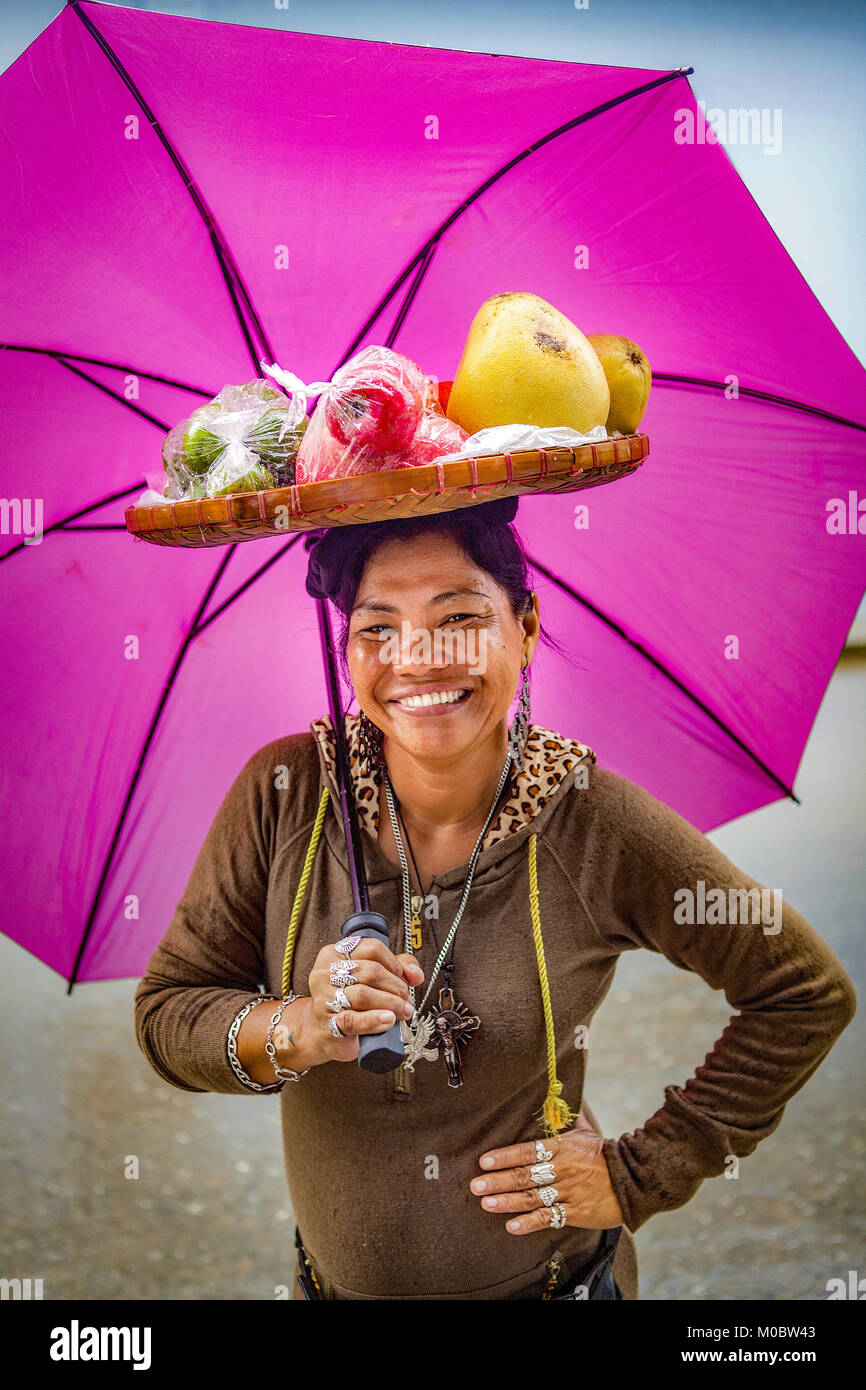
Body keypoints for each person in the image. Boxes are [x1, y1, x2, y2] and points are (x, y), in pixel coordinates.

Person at [134, 496, 856, 1301]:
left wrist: (641, 1171)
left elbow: (804, 991)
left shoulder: (591, 819)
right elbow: (168, 1014)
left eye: (460, 617)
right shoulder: (284, 792)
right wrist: (299, 1027)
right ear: (347, 653)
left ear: (527, 626)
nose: (418, 657)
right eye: (377, 627)